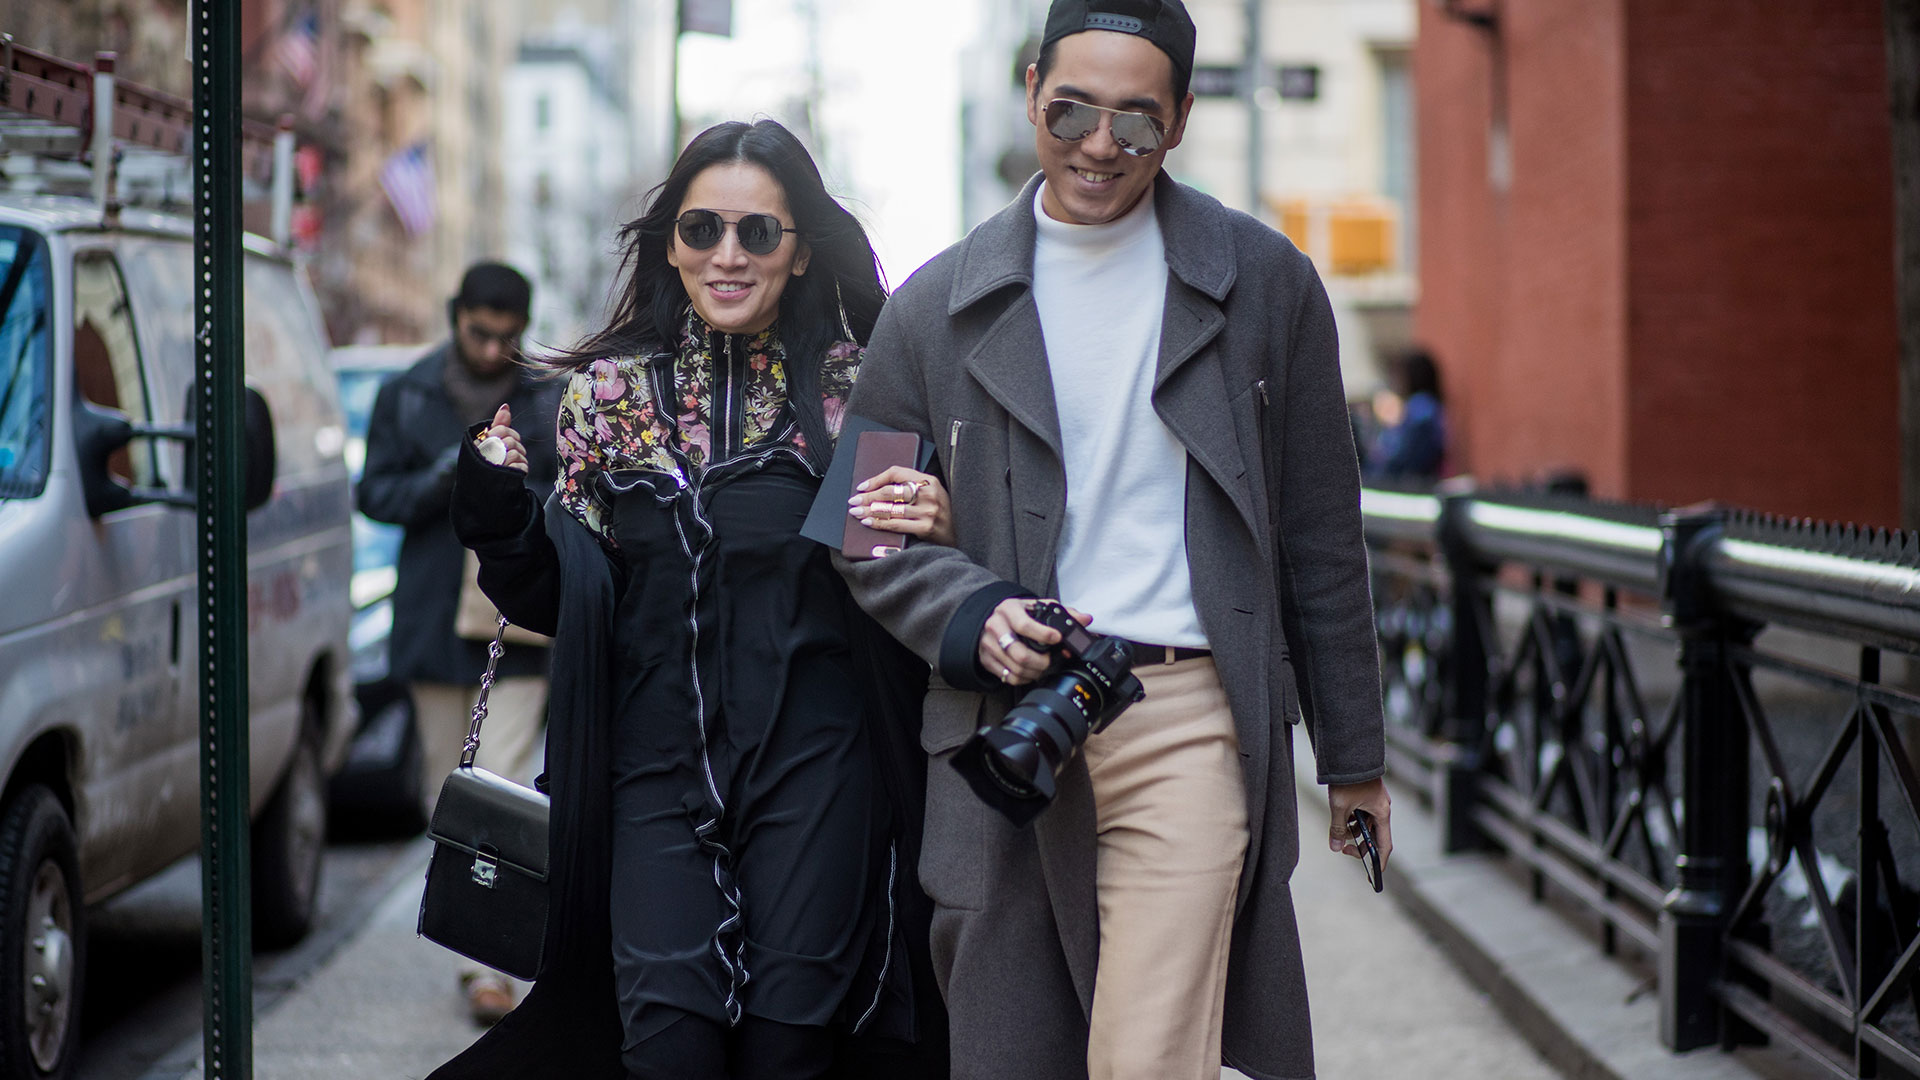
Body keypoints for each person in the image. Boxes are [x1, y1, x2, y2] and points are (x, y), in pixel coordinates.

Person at [833, 2, 1392, 1078]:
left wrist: (1353, 757)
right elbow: (860, 532)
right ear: (1032, 86)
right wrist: (968, 613)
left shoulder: (1264, 284)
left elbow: (1323, 530)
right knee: (1012, 1054)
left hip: (1191, 718)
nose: (1100, 145)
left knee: (1146, 1059)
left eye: (1137, 122)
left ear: (1180, 120)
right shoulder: (933, 305)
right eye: (1072, 110)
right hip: (1006, 732)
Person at [434, 120, 953, 1080]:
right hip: (653, 775)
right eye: (700, 227)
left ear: (800, 254)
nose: (726, 254)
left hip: (821, 774)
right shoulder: (602, 395)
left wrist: (937, 510)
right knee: (668, 1047)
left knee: (790, 1048)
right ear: (669, 241)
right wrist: (499, 514)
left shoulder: (867, 392)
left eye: (758, 233)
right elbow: (569, 594)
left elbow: (898, 585)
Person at [356, 260, 558, 1026]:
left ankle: (490, 970)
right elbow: (374, 493)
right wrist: (456, 474)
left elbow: (570, 500)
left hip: (519, 627)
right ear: (455, 316)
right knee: (448, 793)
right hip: (436, 626)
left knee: (500, 788)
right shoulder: (406, 390)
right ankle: (474, 941)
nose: (490, 347)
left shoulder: (544, 393)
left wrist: (507, 483)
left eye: (507, 337)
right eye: (480, 332)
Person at [1363, 345, 1447, 482]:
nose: (1398, 381)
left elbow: (1407, 453)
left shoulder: (1422, 406)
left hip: (1416, 482)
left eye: (1401, 375)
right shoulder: (1430, 405)